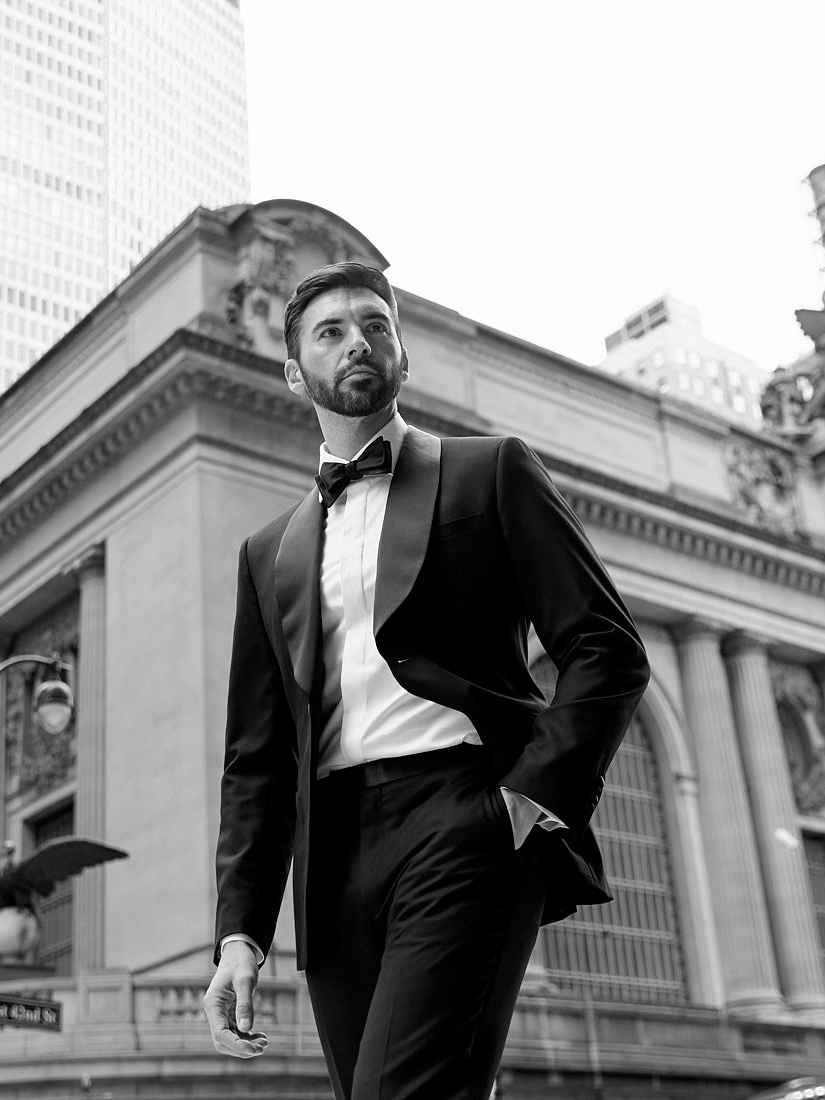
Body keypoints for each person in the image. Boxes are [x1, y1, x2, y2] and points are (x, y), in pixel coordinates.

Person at [202, 261, 650, 1099]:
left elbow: (605, 645)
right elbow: (256, 761)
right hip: (332, 857)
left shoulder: (491, 472)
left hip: (464, 817)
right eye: (331, 332)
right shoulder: (268, 553)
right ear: (295, 372)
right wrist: (240, 936)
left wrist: (523, 802)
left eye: (375, 324)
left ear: (401, 353)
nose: (357, 342)